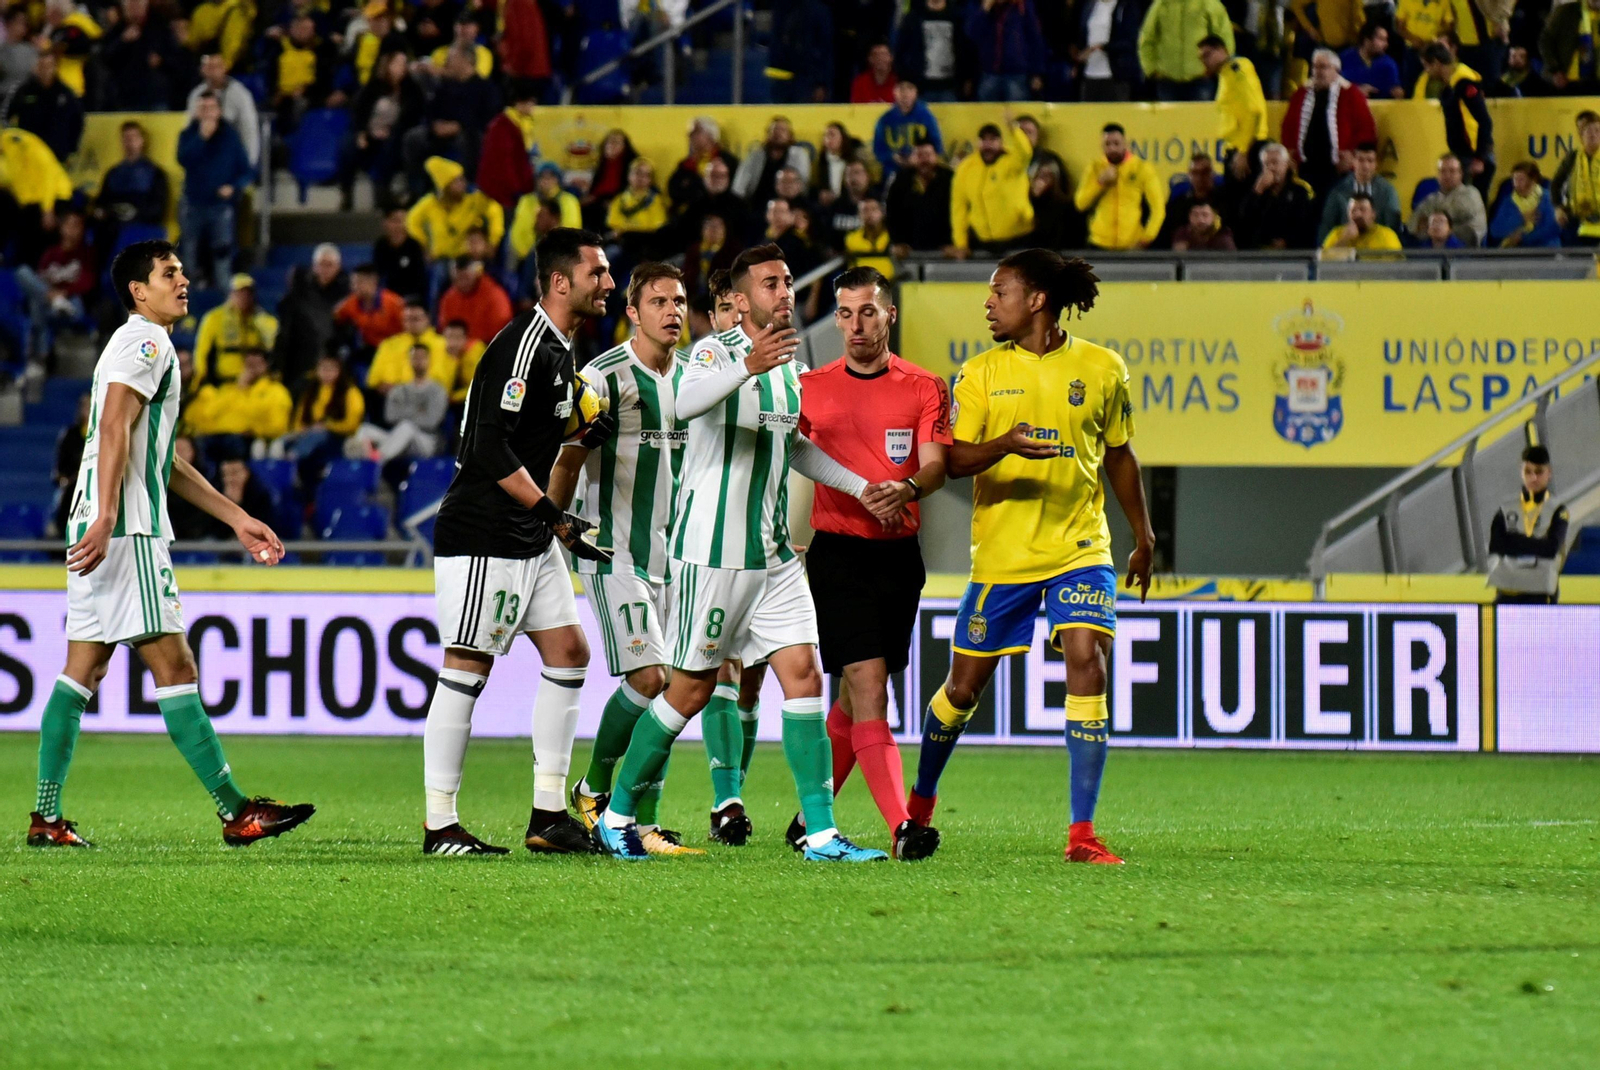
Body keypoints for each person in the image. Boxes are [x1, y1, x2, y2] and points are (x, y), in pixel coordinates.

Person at [591, 244, 901, 863]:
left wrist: (858, 486)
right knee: (690, 690)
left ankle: (820, 835)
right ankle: (616, 813)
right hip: (712, 557)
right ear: (739, 298)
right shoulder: (713, 352)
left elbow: (792, 445)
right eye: (770, 284)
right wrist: (748, 364)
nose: (784, 292)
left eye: (787, 281)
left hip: (774, 557)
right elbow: (682, 404)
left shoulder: (791, 363)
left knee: (806, 678)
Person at [28, 238, 313, 850]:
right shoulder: (147, 341)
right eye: (169, 274)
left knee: (84, 669)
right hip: (125, 529)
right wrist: (110, 514)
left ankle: (46, 818)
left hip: (100, 523)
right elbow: (109, 428)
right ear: (139, 290)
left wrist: (237, 516)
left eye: (183, 272)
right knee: (176, 666)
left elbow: (159, 459)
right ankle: (236, 810)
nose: (183, 281)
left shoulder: (131, 345)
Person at [906, 250, 1154, 864]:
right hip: (1003, 556)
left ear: (1036, 300)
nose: (988, 304)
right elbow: (954, 461)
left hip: (1080, 546)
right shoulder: (981, 373)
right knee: (962, 690)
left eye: (1000, 293)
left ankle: (1083, 834)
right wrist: (1005, 445)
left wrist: (1143, 536)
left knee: (1086, 657)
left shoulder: (1102, 368)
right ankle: (919, 805)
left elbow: (1119, 454)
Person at [417, 228, 617, 856]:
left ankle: (548, 815)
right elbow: (486, 447)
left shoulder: (561, 352)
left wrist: (582, 432)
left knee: (569, 653)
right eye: (598, 273)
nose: (608, 283)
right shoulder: (526, 342)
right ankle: (439, 824)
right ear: (562, 282)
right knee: (467, 667)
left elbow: (532, 438)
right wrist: (554, 513)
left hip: (527, 532)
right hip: (485, 531)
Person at [775, 267, 950, 859]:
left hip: (900, 556)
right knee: (868, 687)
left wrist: (906, 488)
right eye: (845, 314)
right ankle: (903, 827)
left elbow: (935, 466)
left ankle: (809, 818)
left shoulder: (924, 386)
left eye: (867, 313)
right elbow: (780, 456)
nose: (855, 325)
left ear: (890, 314)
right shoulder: (810, 388)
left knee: (853, 700)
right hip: (839, 554)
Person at [543, 264, 703, 856]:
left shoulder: (695, 379)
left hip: (683, 556)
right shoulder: (601, 378)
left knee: (678, 686)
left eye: (680, 300)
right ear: (632, 312)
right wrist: (556, 526)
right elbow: (563, 458)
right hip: (614, 551)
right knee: (650, 678)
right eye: (658, 301)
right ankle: (595, 788)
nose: (672, 311)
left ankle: (644, 819)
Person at [175, 91, 254, 290]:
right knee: (189, 259)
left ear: (219, 110)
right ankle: (188, 310)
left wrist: (233, 187)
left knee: (223, 258)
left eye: (211, 108)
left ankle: (225, 305)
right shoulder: (188, 134)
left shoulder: (230, 137)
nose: (207, 113)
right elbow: (183, 159)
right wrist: (201, 137)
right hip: (192, 205)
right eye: (202, 108)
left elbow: (246, 171)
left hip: (221, 207)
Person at [1281, 49, 1376, 198]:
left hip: (1338, 169)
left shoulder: (1351, 94)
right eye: (1315, 67)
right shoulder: (1301, 94)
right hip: (1306, 167)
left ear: (1336, 70)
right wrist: (1290, 152)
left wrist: (1353, 155)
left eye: (1323, 67)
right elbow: (1288, 127)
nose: (1318, 72)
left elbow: (1366, 130)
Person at [1487, 445, 1569, 604]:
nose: (1533, 478)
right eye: (1528, 472)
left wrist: (1513, 540)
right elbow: (1496, 548)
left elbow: (1551, 548)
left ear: (1549, 473)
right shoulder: (1505, 510)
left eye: (1539, 472)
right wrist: (1538, 544)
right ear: (1521, 471)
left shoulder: (1558, 510)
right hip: (1507, 592)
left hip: (1540, 594)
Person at [14, 209, 94, 364]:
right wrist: (52, 295)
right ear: (61, 227)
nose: (72, 230)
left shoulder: (86, 253)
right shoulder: (51, 253)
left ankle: (39, 360)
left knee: (38, 303)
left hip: (71, 304)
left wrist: (63, 293)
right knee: (22, 273)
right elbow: (40, 277)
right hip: (50, 304)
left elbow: (88, 282)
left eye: (76, 225)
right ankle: (42, 358)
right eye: (68, 225)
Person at [346, 343, 449, 464]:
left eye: (422, 357)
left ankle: (376, 460)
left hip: (426, 442)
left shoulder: (438, 390)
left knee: (406, 427)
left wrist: (404, 412)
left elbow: (431, 421)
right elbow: (390, 416)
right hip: (396, 437)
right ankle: (361, 467)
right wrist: (419, 411)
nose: (418, 361)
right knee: (365, 430)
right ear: (409, 361)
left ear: (429, 360)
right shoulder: (398, 390)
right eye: (415, 357)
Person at [186, 346, 293, 457]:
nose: (251, 369)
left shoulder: (276, 391)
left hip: (250, 438)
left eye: (256, 365)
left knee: (233, 444)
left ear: (266, 366)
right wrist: (238, 388)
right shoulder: (229, 389)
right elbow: (210, 413)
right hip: (218, 435)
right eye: (248, 365)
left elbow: (278, 426)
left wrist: (253, 429)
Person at [1074, 123, 1165, 251]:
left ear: (1125, 143)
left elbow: (1158, 208)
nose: (1112, 149)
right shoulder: (1094, 168)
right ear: (1102, 145)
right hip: (1098, 243)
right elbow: (1080, 203)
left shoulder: (1141, 168)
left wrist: (1147, 238)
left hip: (1132, 244)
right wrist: (1100, 183)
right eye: (1107, 144)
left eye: (1116, 143)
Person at [950, 121, 1035, 258]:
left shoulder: (1012, 162)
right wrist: (961, 244)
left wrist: (1014, 129)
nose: (988, 145)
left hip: (1019, 238)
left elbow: (1025, 153)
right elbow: (958, 209)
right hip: (983, 241)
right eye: (984, 140)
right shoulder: (965, 169)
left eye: (993, 140)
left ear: (1001, 142)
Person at [1421, 43, 1495, 198]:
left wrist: (1479, 158)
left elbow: (1485, 121)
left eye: (1427, 66)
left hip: (1473, 155)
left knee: (1471, 205)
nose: (1426, 71)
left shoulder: (1464, 84)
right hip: (1463, 155)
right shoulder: (1451, 84)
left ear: (1436, 62)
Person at [283, 351, 364, 490]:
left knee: (319, 436)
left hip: (337, 437)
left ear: (339, 371)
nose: (327, 373)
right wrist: (302, 429)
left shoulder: (350, 392)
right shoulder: (310, 392)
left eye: (331, 369)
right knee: (287, 440)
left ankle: (292, 461)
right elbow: (299, 419)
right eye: (323, 369)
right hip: (310, 435)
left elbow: (352, 424)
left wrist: (328, 426)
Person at [273, 244, 351, 389]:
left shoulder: (347, 296)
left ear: (338, 267)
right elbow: (285, 331)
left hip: (332, 363)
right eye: (321, 264)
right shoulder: (298, 293)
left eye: (330, 265)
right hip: (300, 361)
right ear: (314, 266)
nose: (325, 269)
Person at [407, 156, 506, 265]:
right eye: (456, 181)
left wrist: (493, 241)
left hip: (469, 257)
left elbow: (494, 210)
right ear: (445, 186)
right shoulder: (430, 203)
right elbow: (411, 220)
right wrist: (423, 246)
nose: (462, 184)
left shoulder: (473, 199)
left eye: (462, 179)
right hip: (441, 258)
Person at [1139, 0, 1233, 101]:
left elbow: (1224, 39)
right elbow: (1147, 40)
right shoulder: (1161, 4)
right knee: (1170, 117)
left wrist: (1218, 69)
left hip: (1201, 80)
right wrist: (1151, 70)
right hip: (1167, 82)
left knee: (1199, 117)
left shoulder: (1209, 3)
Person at [194, 274, 278, 387]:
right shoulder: (215, 318)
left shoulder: (265, 320)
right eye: (240, 293)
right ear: (231, 294)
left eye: (248, 293)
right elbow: (202, 352)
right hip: (225, 382)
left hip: (257, 382)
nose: (244, 297)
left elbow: (275, 348)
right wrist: (201, 378)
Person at [95, 121, 170, 242]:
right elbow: (101, 202)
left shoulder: (155, 173)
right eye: (126, 138)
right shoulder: (113, 173)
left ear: (142, 141)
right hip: (113, 228)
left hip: (142, 227)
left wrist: (135, 214)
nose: (129, 142)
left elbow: (158, 209)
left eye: (133, 137)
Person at [186, 51, 261, 169]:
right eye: (208, 67)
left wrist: (249, 163)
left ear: (224, 68)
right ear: (202, 70)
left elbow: (249, 130)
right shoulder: (196, 95)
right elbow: (190, 128)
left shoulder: (240, 94)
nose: (212, 71)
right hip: (204, 159)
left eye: (216, 66)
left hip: (232, 158)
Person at [6, 51, 82, 165]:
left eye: (48, 66)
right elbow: (9, 116)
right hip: (29, 154)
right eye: (41, 66)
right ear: (36, 68)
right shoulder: (25, 92)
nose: (45, 71)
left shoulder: (65, 94)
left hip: (56, 155)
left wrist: (70, 149)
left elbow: (77, 121)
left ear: (55, 67)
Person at [476, 79, 539, 214]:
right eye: (531, 102)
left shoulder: (523, 123)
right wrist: (515, 190)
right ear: (520, 102)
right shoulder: (502, 126)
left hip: (518, 189)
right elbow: (503, 162)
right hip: (503, 193)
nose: (534, 107)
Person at [1319, 142, 1403, 242]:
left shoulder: (1388, 191)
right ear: (1353, 162)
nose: (1365, 166)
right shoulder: (1338, 191)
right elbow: (1326, 225)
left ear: (1376, 164)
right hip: (1346, 244)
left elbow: (1393, 226)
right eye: (1361, 160)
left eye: (1370, 161)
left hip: (1377, 246)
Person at [964, 0, 1047, 102]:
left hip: (1017, 74)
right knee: (988, 115)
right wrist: (985, 9)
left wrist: (1037, 73)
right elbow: (971, 33)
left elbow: (1034, 39)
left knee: (1016, 114)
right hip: (988, 72)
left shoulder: (1022, 5)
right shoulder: (977, 4)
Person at [1237, 142, 1316, 248]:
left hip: (1292, 253)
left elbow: (1307, 226)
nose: (1271, 168)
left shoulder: (1300, 190)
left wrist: (1287, 242)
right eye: (1266, 164)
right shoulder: (1257, 189)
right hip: (1259, 253)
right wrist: (1258, 190)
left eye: (1275, 163)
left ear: (1286, 164)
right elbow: (1244, 220)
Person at [1200, 34, 1268, 158]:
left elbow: (1254, 110)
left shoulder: (1238, 69)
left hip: (1247, 147)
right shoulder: (1225, 74)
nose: (1204, 61)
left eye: (1207, 55)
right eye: (1201, 58)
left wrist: (1244, 150)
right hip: (1236, 146)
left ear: (1221, 49)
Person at [886, 138, 954, 256]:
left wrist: (955, 243)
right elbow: (891, 213)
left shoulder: (950, 179)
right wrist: (897, 242)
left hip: (946, 250)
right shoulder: (900, 180)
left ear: (936, 156)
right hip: (909, 251)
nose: (924, 160)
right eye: (919, 155)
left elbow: (959, 212)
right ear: (912, 158)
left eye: (928, 155)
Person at [368, 299, 452, 393]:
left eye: (415, 319)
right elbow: (374, 380)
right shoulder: (389, 345)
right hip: (394, 398)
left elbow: (445, 381)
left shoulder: (444, 345)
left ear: (428, 318)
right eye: (406, 319)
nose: (410, 324)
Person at [894, 0, 972, 102]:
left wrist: (967, 78)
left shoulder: (957, 16)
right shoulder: (913, 18)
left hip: (950, 87)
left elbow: (967, 50)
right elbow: (900, 51)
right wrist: (906, 80)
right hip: (921, 88)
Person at [733, 117, 814, 207]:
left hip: (789, 206)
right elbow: (740, 183)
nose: (778, 133)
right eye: (774, 130)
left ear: (790, 135)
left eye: (782, 130)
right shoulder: (755, 155)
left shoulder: (799, 155)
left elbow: (803, 185)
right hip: (757, 205)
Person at [1072, 0, 1143, 101]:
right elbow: (1082, 35)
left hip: (1115, 75)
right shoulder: (1089, 5)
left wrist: (1103, 47)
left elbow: (1130, 41)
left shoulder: (1125, 6)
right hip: (1089, 74)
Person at [1411, 154, 1487, 247]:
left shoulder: (1471, 193)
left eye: (1452, 171)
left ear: (1460, 173)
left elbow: (1457, 212)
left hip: (1466, 251)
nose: (1447, 175)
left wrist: (1430, 221)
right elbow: (1412, 224)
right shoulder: (1432, 198)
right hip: (1434, 251)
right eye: (1443, 171)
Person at [334, 263, 405, 361]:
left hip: (396, 349)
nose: (354, 287)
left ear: (373, 281)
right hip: (369, 349)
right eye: (352, 283)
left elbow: (407, 330)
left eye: (359, 282)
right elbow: (335, 317)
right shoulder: (350, 303)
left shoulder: (393, 303)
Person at [873, 79, 943, 176]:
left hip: (921, 172)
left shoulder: (927, 117)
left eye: (909, 88)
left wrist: (919, 157)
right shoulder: (885, 120)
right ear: (894, 92)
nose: (905, 94)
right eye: (901, 89)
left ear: (916, 92)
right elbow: (878, 150)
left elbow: (937, 147)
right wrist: (893, 157)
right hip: (893, 172)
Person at [1551, 111, 1600, 244]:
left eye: (1597, 130)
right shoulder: (1572, 158)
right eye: (1589, 131)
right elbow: (1556, 184)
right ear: (1581, 135)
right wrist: (1558, 208)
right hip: (1577, 220)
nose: (1593, 134)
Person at [438, 257, 512, 344]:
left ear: (476, 274)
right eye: (458, 279)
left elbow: (500, 331)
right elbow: (444, 328)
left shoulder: (495, 296)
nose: (462, 283)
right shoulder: (449, 298)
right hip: (455, 349)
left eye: (466, 277)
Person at [1489, 163, 1562, 247]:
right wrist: (1520, 218)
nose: (1515, 184)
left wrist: (1522, 238)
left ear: (1533, 180)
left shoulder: (1548, 198)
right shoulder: (1508, 201)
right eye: (1514, 179)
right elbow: (1495, 230)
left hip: (1546, 252)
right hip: (1516, 252)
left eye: (1520, 180)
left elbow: (1552, 229)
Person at [1539, 0, 1600, 96]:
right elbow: (1545, 41)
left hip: (1596, 83)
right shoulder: (1566, 11)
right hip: (1565, 82)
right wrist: (1555, 70)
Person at [52, 393, 91, 536]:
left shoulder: (104, 433)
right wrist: (66, 480)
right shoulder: (70, 434)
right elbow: (58, 470)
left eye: (91, 404)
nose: (87, 409)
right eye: (85, 405)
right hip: (72, 492)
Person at [373, 206, 429, 302]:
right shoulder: (380, 246)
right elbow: (378, 274)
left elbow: (420, 280)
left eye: (404, 221)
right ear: (385, 223)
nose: (400, 225)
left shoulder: (414, 246)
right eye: (395, 221)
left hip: (411, 298)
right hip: (387, 298)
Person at [1321, 192, 1404, 250]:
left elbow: (1395, 268)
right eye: (1353, 210)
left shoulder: (1387, 235)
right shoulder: (1337, 233)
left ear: (1373, 214)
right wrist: (1344, 239)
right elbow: (1321, 263)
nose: (1358, 214)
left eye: (1363, 210)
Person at [1342, 22, 1404, 98]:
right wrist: (1356, 90)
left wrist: (1398, 93)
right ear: (1367, 40)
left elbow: (1395, 89)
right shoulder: (1345, 57)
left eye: (1386, 40)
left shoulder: (1389, 64)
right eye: (1381, 39)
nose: (1386, 44)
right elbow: (1334, 85)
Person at [843, 197, 895, 277]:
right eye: (865, 210)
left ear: (882, 213)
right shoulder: (851, 239)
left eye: (874, 209)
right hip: (860, 285)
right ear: (859, 214)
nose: (870, 214)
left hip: (890, 284)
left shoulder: (892, 237)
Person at [1172, 200, 1237, 250]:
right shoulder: (1182, 234)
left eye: (1205, 215)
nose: (1200, 220)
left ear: (1213, 217)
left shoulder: (1223, 237)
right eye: (1195, 215)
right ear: (1189, 217)